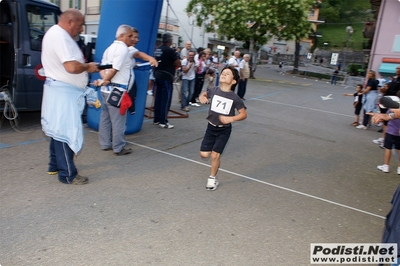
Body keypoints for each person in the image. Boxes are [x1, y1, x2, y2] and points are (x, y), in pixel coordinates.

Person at [41, 9, 99, 185]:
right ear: (70, 22)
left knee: (57, 131)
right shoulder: (60, 37)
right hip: (63, 93)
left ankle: (54, 166)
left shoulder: (57, 34)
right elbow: (72, 67)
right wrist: (88, 67)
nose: (81, 29)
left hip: (60, 91)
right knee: (65, 132)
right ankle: (68, 174)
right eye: (80, 25)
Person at [95, 25, 158, 155]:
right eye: (130, 36)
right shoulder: (123, 49)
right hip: (117, 91)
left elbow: (102, 68)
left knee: (105, 118)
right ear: (122, 36)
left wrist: (104, 81)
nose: (132, 39)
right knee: (118, 121)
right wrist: (107, 80)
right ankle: (118, 147)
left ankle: (105, 143)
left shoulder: (109, 49)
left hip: (107, 90)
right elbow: (115, 69)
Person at [198, 66, 247, 190]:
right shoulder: (214, 90)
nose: (224, 74)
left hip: (224, 130)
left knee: (215, 155)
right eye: (223, 73)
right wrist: (202, 97)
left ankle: (212, 178)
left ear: (233, 81)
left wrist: (231, 119)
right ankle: (213, 163)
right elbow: (204, 93)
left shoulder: (235, 98)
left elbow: (243, 114)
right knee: (204, 155)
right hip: (210, 127)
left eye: (228, 74)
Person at [153, 33, 181, 129]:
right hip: (166, 76)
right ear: (170, 41)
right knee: (166, 99)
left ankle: (156, 119)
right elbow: (178, 62)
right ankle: (163, 121)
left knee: (158, 98)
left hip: (158, 75)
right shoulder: (170, 50)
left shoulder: (158, 49)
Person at [370, 109, 400, 174]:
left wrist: (380, 117)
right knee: (399, 149)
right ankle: (399, 168)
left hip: (390, 132)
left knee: (388, 148)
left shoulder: (391, 109)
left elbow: (385, 120)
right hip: (398, 133)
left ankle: (386, 165)